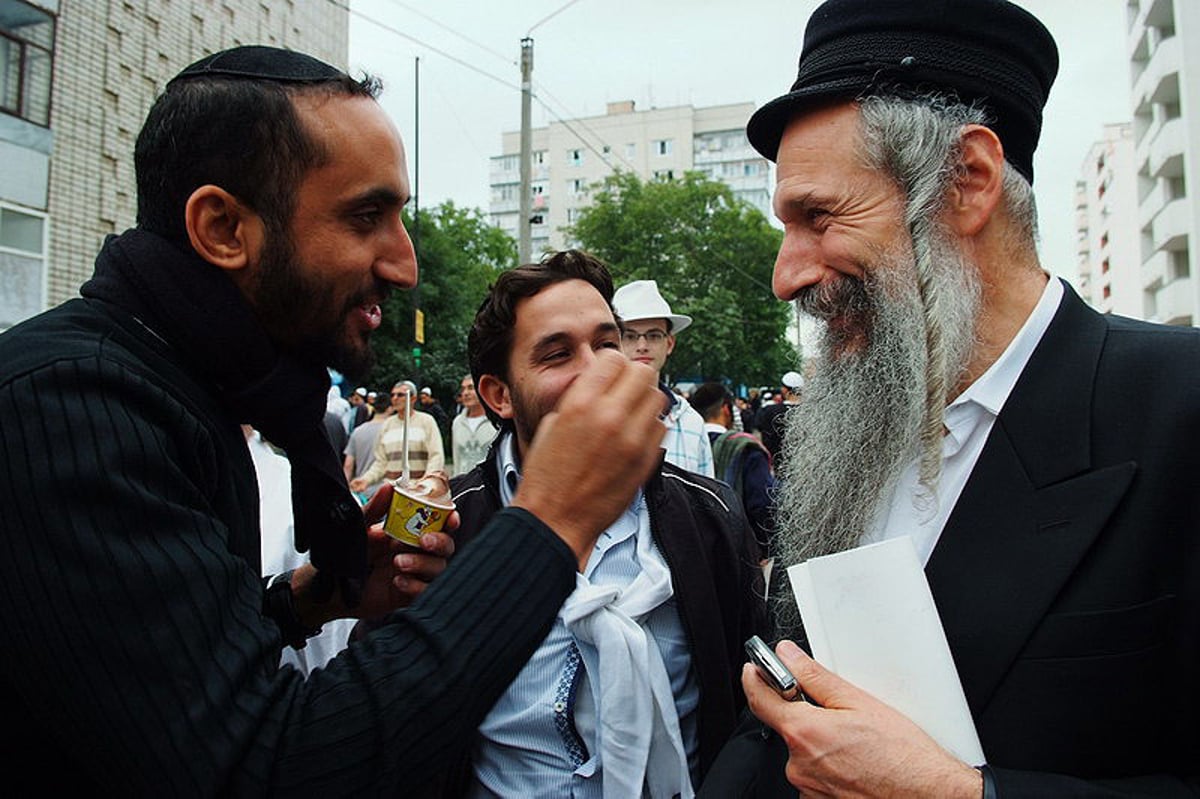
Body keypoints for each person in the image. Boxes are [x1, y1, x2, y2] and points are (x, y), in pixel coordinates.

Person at [0, 45, 668, 794]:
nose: (405, 264)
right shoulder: (70, 403)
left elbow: (152, 689)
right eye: (366, 216)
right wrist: (551, 519)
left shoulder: (178, 389)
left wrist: (309, 600)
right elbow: (266, 766)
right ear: (223, 228)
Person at [699, 1, 1200, 796]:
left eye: (820, 217)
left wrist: (957, 794)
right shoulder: (850, 431)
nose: (785, 275)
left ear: (967, 182)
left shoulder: (1177, 407)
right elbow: (774, 728)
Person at [436, 251, 764, 797]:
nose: (598, 370)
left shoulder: (710, 519)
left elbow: (753, 713)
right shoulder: (448, 530)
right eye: (557, 354)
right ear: (499, 395)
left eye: (607, 344)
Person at [613, 279, 715, 477]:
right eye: (630, 336)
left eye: (653, 335)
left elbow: (706, 504)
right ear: (614, 343)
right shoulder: (591, 415)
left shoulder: (690, 422)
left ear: (669, 344)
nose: (642, 345)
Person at [690, 382, 774, 559]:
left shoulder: (681, 447)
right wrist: (763, 550)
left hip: (690, 551)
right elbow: (761, 503)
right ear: (726, 409)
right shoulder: (746, 449)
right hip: (739, 554)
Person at [350, 380, 445, 491]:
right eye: (393, 395)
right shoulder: (387, 425)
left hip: (420, 494)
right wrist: (365, 480)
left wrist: (426, 482)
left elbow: (436, 456)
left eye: (400, 395)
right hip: (393, 493)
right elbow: (381, 463)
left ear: (413, 398)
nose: (395, 398)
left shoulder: (426, 421)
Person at [450, 373, 496, 477]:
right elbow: (456, 458)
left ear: (482, 390)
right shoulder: (457, 422)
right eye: (463, 389)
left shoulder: (496, 422)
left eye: (470, 388)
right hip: (464, 486)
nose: (465, 393)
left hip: (491, 487)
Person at [755, 370, 802, 469]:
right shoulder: (810, 410)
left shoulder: (771, 411)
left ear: (785, 390)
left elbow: (766, 437)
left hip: (780, 465)